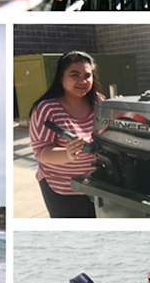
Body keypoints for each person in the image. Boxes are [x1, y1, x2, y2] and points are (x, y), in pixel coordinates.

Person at [29, 51, 103, 218]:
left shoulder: (99, 102)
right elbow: (40, 152)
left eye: (87, 76)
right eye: (74, 75)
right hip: (62, 188)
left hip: (97, 185)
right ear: (61, 77)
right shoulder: (46, 108)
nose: (82, 81)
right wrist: (67, 153)